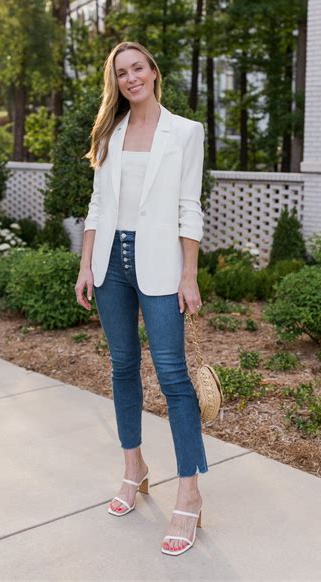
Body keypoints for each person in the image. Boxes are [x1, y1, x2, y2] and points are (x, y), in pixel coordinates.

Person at [75, 40, 208, 556]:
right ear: (116, 82)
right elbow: (97, 204)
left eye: (137, 68)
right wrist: (87, 263)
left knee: (173, 375)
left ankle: (190, 494)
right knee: (123, 365)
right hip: (111, 262)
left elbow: (188, 206)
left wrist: (189, 274)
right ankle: (134, 468)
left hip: (159, 263)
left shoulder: (185, 133)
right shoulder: (109, 131)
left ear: (153, 71)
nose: (131, 78)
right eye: (121, 73)